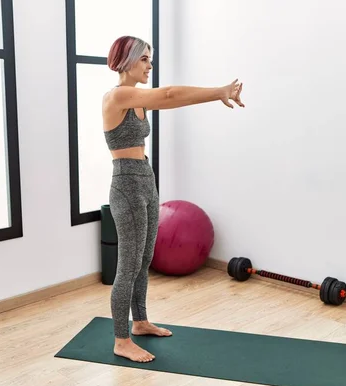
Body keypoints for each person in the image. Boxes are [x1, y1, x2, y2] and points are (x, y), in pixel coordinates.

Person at [102, 35, 244, 363]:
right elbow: (169, 94)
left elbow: (167, 97)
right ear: (126, 61)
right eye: (144, 60)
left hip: (145, 180)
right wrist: (218, 92)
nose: (150, 65)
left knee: (145, 258)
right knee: (128, 264)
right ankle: (121, 340)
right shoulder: (119, 95)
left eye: (150, 59)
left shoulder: (136, 98)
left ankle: (139, 322)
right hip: (125, 185)